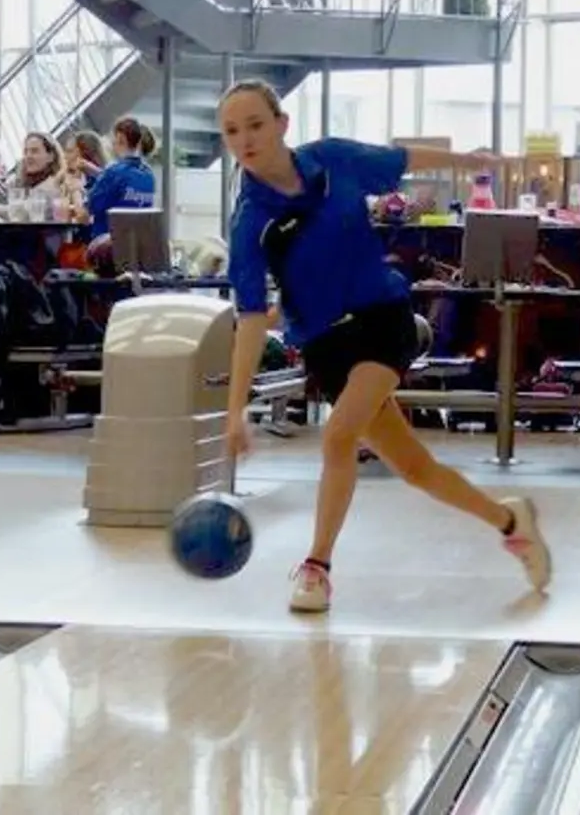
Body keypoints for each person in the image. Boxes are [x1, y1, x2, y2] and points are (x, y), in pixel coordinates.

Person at [218, 79, 551, 613]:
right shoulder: (250, 223)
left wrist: (469, 160)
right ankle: (512, 522)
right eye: (232, 131)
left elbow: (399, 157)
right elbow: (252, 317)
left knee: (338, 435)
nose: (246, 139)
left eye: (256, 124)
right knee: (416, 467)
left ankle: (317, 566)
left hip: (382, 319)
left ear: (282, 124)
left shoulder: (332, 160)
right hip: (324, 344)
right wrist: (235, 410)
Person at [83, 117, 156, 238]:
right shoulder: (149, 175)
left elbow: (87, 211)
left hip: (107, 245)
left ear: (120, 139)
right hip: (136, 243)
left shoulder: (113, 172)